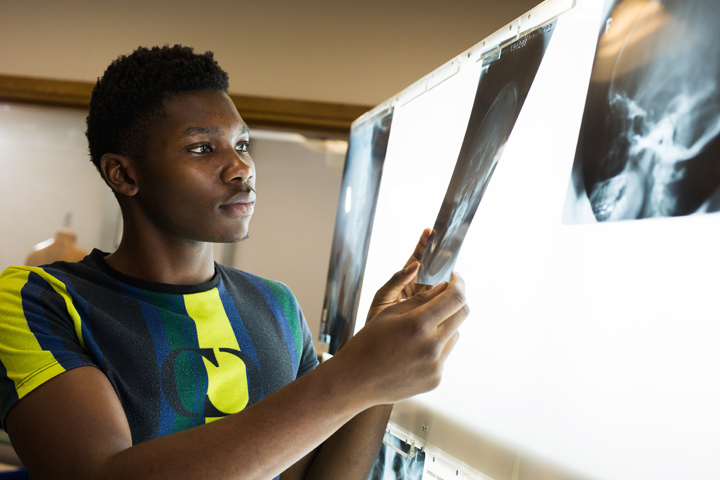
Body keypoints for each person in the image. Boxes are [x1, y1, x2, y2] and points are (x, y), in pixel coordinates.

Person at [0, 45, 468, 480]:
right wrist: (352, 375)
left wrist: (374, 376)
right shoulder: (39, 299)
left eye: (242, 144)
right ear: (123, 174)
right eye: (202, 148)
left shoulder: (275, 304)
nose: (240, 167)